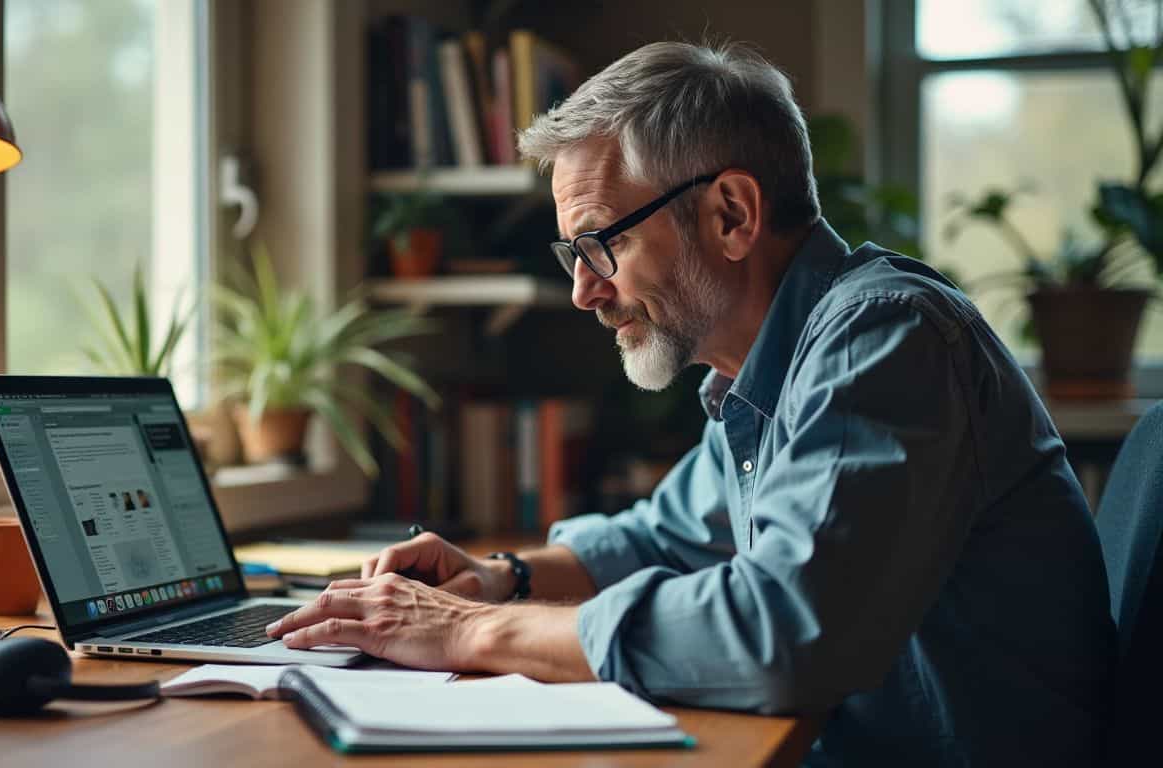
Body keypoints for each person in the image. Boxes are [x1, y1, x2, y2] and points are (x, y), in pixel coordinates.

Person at [265, 41, 1115, 765]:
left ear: (732, 214)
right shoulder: (768, 371)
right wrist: (502, 578)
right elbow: (664, 535)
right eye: (573, 253)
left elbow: (782, 633)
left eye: (604, 242)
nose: (583, 292)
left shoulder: (882, 336)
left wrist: (467, 631)